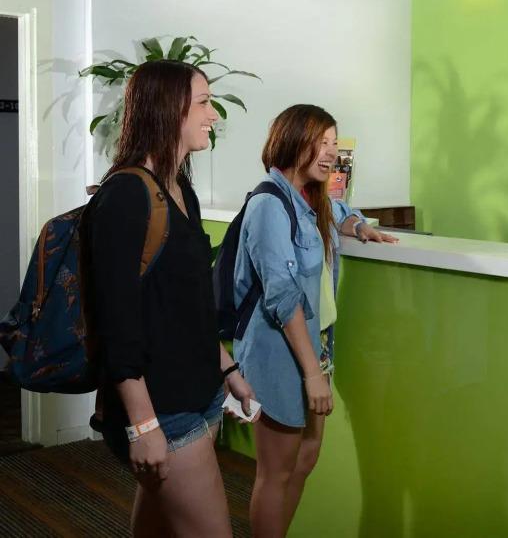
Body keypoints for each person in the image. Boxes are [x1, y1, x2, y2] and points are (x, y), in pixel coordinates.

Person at [84, 59, 258, 537]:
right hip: (162, 407)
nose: (213, 115)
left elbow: (189, 307)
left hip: (201, 391)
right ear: (168, 109)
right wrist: (143, 426)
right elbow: (118, 324)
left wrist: (228, 370)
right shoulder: (125, 195)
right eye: (203, 103)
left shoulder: (180, 189)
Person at [234, 104, 396, 538]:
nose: (331, 153)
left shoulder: (311, 200)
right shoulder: (268, 204)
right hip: (281, 352)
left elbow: (338, 213)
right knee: (277, 470)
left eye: (334, 144)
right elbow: (282, 296)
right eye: (321, 143)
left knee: (306, 458)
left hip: (316, 345)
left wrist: (358, 225)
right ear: (292, 141)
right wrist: (312, 374)